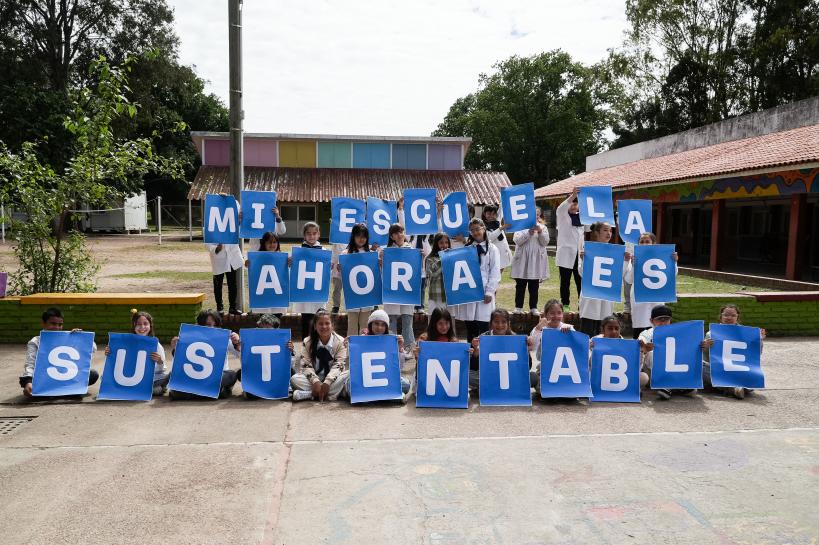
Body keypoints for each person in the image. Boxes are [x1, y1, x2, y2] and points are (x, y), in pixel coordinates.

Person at [19, 308, 99, 398]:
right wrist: (28, 382)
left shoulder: (68, 337)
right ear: (43, 323)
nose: (57, 327)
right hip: (45, 378)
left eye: (60, 324)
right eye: (53, 324)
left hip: (67, 376)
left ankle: (58, 391)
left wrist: (81, 337)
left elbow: (93, 348)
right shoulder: (35, 341)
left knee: (93, 374)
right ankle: (65, 391)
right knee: (29, 383)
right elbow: (30, 364)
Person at [169, 310, 240, 400]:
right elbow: (180, 364)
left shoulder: (224, 338)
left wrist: (237, 343)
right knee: (173, 375)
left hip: (217, 376)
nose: (213, 328)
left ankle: (195, 392)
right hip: (196, 377)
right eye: (209, 325)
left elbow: (241, 355)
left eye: (216, 325)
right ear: (200, 325)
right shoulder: (190, 338)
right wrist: (176, 349)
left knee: (232, 374)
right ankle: (212, 392)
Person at [700, 304, 766, 399]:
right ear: (721, 317)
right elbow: (706, 358)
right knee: (699, 366)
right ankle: (734, 389)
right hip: (720, 371)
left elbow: (756, 355)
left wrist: (759, 341)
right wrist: (704, 346)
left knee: (753, 371)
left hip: (739, 370)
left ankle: (730, 388)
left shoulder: (747, 334)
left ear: (737, 317)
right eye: (726, 315)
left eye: (733, 315)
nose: (729, 318)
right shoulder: (711, 334)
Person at [623, 232, 678, 339]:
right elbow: (628, 280)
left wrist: (674, 262)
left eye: (647, 241)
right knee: (639, 331)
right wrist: (633, 266)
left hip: (656, 298)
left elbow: (671, 275)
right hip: (639, 300)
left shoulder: (662, 256)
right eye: (642, 242)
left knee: (657, 329)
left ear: (654, 243)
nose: (644, 244)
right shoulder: (635, 257)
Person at [637, 305, 697, 400]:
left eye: (666, 319)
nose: (663, 323)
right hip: (652, 372)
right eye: (659, 319)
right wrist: (645, 347)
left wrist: (701, 345)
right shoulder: (647, 333)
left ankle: (671, 387)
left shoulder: (678, 334)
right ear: (651, 321)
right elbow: (641, 343)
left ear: (670, 320)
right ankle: (673, 385)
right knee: (652, 353)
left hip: (674, 369)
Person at [104, 310, 169, 396]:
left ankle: (142, 389)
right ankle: (148, 389)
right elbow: (116, 365)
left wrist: (159, 361)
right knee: (105, 377)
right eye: (138, 324)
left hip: (152, 379)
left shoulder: (155, 345)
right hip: (129, 379)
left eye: (145, 324)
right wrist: (110, 353)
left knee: (170, 375)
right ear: (134, 326)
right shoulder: (125, 343)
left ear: (150, 326)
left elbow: (161, 370)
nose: (142, 327)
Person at [290, 310, 350, 401]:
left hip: (333, 379)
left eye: (327, 323)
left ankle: (310, 394)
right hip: (314, 379)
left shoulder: (340, 341)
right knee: (294, 379)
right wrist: (315, 381)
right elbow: (306, 365)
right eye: (320, 324)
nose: (324, 326)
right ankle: (333, 393)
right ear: (315, 326)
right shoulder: (307, 342)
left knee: (349, 374)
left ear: (332, 325)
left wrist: (327, 382)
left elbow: (339, 365)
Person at [459, 218, 501, 343]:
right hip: (470, 292)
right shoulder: (467, 248)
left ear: (484, 228)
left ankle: (484, 352)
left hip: (484, 291)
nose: (475, 232)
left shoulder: (492, 249)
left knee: (484, 326)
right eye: (472, 230)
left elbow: (495, 271)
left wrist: (489, 292)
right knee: (470, 326)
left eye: (477, 229)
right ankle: (472, 353)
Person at [237, 313, 297, 400]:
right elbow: (245, 363)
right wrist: (243, 348)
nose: (265, 332)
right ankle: (256, 390)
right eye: (262, 328)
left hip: (275, 374)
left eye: (268, 329)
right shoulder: (252, 340)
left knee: (292, 371)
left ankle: (276, 389)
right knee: (240, 373)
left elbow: (288, 365)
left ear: (276, 330)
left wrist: (290, 351)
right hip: (258, 374)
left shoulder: (283, 342)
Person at [577, 222, 622, 337]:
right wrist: (584, 260)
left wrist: (626, 261)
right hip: (590, 296)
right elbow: (581, 273)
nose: (609, 233)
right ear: (597, 233)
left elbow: (620, 274)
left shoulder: (615, 251)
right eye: (605, 230)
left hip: (606, 296)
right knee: (587, 333)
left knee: (603, 334)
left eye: (610, 231)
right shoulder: (588, 249)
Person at [470, 309, 528, 395]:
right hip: (488, 375)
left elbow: (527, 366)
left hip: (509, 375)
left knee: (533, 377)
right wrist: (476, 351)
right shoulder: (483, 338)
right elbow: (473, 367)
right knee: (466, 375)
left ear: (508, 323)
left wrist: (526, 350)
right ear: (491, 323)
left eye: (503, 322)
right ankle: (492, 387)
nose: (500, 325)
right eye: (496, 322)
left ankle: (487, 388)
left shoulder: (515, 338)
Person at [358, 309, 412, 399]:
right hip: (366, 377)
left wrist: (399, 348)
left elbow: (400, 366)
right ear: (370, 324)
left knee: (406, 385)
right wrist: (351, 346)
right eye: (376, 324)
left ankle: (372, 394)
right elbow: (356, 364)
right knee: (350, 385)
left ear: (386, 327)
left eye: (383, 325)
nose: (379, 328)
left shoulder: (391, 340)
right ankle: (388, 395)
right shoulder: (362, 338)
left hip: (385, 377)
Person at [382, 223, 417, 355]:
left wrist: (420, 256)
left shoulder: (412, 250)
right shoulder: (387, 251)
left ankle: (408, 347)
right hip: (392, 290)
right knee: (391, 321)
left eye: (401, 232)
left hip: (407, 290)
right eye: (396, 233)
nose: (400, 235)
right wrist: (381, 261)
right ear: (391, 236)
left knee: (407, 321)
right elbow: (382, 271)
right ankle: (391, 347)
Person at [590, 315, 649, 390]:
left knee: (644, 377)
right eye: (610, 328)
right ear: (603, 330)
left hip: (621, 378)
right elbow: (589, 365)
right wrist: (591, 349)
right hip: (600, 377)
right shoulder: (595, 341)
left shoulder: (628, 345)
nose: (614, 331)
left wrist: (641, 352)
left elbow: (636, 368)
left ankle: (626, 390)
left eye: (616, 328)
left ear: (620, 329)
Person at [338, 223, 377, 337]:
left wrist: (379, 264)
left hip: (367, 295)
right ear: (353, 237)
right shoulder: (346, 253)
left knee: (365, 326)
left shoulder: (371, 254)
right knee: (352, 326)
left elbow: (375, 275)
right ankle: (351, 347)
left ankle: (363, 346)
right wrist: (340, 269)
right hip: (352, 295)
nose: (361, 239)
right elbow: (342, 277)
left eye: (364, 236)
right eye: (358, 236)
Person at [555, 188, 586, 311]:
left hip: (580, 255)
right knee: (565, 282)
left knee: (580, 281)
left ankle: (581, 304)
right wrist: (572, 196)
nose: (574, 206)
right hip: (566, 254)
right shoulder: (563, 216)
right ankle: (565, 304)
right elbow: (560, 208)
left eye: (576, 203)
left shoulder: (582, 218)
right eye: (572, 203)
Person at [293, 222, 325, 340]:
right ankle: (306, 346)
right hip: (304, 292)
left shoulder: (324, 250)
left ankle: (318, 345)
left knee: (318, 321)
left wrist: (330, 266)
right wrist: (291, 262)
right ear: (304, 235)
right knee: (305, 321)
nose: (311, 236)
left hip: (317, 291)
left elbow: (326, 272)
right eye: (309, 234)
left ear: (318, 234)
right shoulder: (299, 251)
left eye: (314, 233)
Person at [511, 218, 550, 315]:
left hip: (536, 261)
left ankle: (533, 307)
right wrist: (528, 232)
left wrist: (540, 231)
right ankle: (518, 306)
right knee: (520, 284)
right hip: (523, 259)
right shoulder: (520, 226)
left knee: (534, 285)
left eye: (537, 215)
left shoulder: (543, 227)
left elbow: (545, 242)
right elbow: (517, 240)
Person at [245, 231, 288, 318]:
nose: (272, 244)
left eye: (274, 242)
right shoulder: (258, 257)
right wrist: (249, 264)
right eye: (269, 242)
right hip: (263, 296)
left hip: (277, 296)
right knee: (264, 320)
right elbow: (254, 274)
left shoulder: (282, 257)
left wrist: (290, 263)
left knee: (276, 319)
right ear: (263, 243)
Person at [528, 299, 575, 364]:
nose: (556, 316)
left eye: (559, 313)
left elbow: (579, 345)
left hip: (565, 364)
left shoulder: (568, 328)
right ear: (546, 315)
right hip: (545, 364)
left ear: (562, 314)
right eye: (552, 313)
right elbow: (533, 346)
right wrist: (538, 328)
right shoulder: (541, 329)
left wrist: (570, 333)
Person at [207, 240, 243, 315]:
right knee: (218, 284)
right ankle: (219, 307)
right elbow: (208, 238)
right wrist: (215, 248)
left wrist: (239, 255)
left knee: (232, 284)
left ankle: (232, 307)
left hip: (231, 256)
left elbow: (234, 236)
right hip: (218, 257)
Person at [481, 205, 513, 271]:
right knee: (495, 274)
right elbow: (490, 238)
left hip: (503, 253)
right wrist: (501, 228)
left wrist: (503, 199)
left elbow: (502, 207)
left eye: (493, 214)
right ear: (484, 214)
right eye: (489, 214)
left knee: (500, 273)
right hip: (493, 255)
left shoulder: (497, 221)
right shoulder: (483, 226)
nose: (491, 216)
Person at [425, 232, 450, 312]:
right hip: (436, 295)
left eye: (446, 242)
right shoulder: (430, 258)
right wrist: (444, 258)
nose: (444, 245)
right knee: (434, 318)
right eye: (441, 243)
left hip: (450, 295)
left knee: (449, 318)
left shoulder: (451, 256)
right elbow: (432, 274)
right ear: (436, 244)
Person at [409, 233, 431, 314]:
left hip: (423, 269)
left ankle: (421, 306)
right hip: (412, 269)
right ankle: (414, 306)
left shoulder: (426, 240)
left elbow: (430, 255)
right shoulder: (411, 238)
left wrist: (425, 255)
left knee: (422, 289)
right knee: (413, 288)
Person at [330, 241, 345, 314]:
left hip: (350, 264)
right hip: (336, 265)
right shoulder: (336, 239)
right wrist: (332, 261)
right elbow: (333, 249)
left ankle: (351, 306)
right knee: (337, 288)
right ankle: (336, 306)